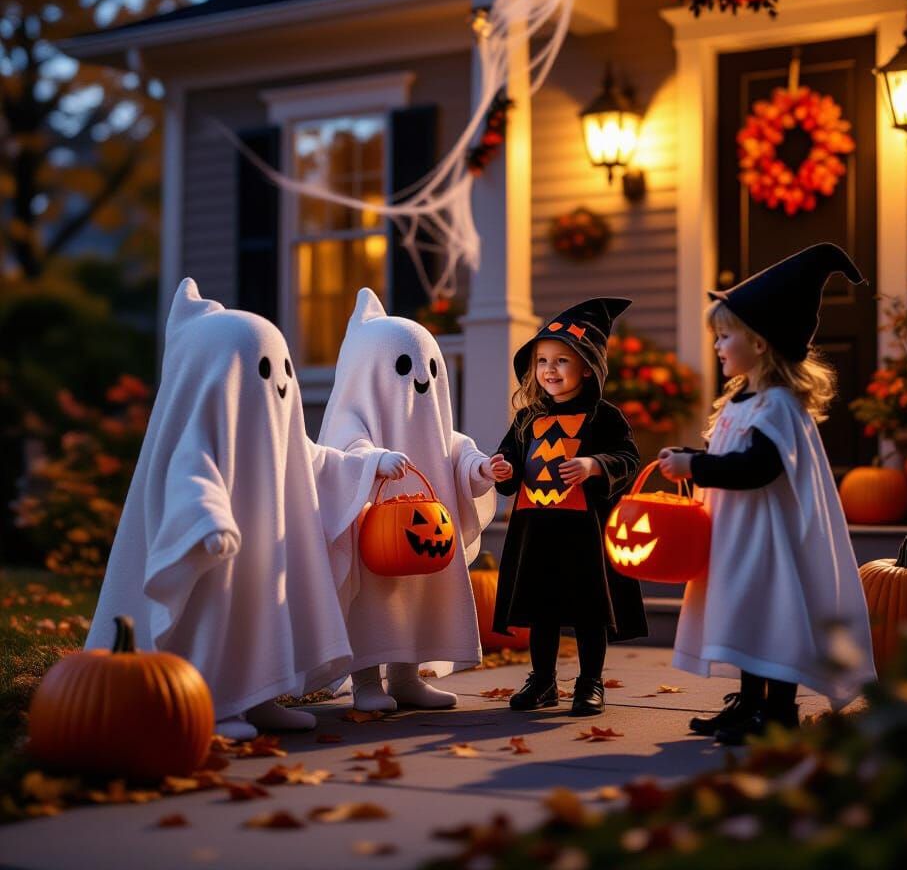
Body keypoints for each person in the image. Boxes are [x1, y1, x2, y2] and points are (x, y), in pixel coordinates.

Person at [86, 279, 408, 741]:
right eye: (263, 369)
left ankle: (260, 696)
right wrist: (206, 520)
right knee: (218, 619)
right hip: (220, 551)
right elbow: (192, 477)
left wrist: (370, 462)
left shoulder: (279, 430)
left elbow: (317, 461)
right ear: (220, 379)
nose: (278, 383)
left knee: (260, 619)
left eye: (283, 370)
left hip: (266, 554)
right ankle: (214, 701)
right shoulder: (199, 430)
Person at [659, 244, 876, 745]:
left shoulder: (777, 405)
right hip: (737, 534)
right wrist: (689, 458)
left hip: (768, 538)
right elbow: (730, 455)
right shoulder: (741, 399)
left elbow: (757, 467)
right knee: (746, 616)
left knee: (771, 617)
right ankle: (749, 702)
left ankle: (776, 710)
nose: (716, 345)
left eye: (725, 335)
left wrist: (696, 465)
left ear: (759, 343)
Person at [319, 288, 497, 712]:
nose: (422, 377)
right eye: (406, 366)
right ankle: (366, 681)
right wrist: (374, 460)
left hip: (422, 522)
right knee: (371, 604)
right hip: (372, 531)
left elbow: (453, 447)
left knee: (417, 599)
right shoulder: (352, 414)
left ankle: (406, 676)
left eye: (431, 367)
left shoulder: (430, 422)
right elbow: (344, 453)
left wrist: (477, 468)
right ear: (371, 371)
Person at [489, 298, 648, 717]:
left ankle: (589, 682)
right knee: (541, 610)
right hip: (535, 529)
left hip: (584, 533)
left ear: (588, 368)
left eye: (562, 360)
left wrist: (595, 465)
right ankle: (542, 681)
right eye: (542, 361)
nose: (550, 370)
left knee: (588, 611)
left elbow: (629, 460)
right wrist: (502, 468)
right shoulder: (527, 419)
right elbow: (510, 464)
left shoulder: (603, 417)